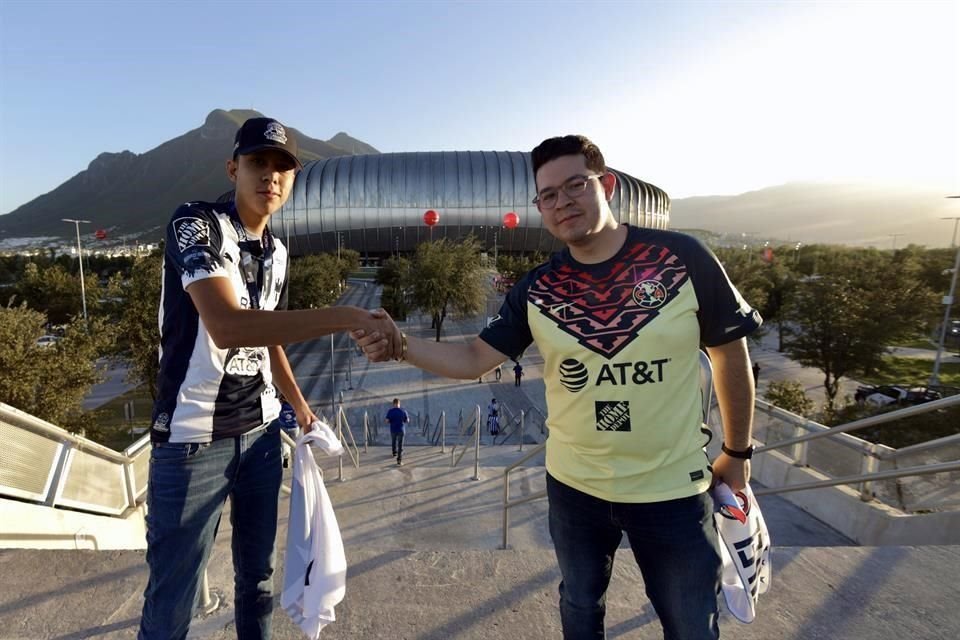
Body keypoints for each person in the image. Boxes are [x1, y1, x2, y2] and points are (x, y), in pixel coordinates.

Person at [353, 134, 760, 639]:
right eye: (548, 195)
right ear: (539, 208)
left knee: (691, 622)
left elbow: (729, 354)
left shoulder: (681, 257)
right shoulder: (536, 289)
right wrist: (400, 345)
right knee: (579, 608)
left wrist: (738, 451)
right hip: (575, 489)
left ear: (606, 185)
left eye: (575, 185)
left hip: (673, 490)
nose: (562, 202)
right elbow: (476, 356)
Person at [139, 116, 399, 640]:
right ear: (234, 168)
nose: (271, 177)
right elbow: (230, 326)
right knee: (173, 598)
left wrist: (299, 406)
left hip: (259, 438)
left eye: (283, 167)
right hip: (192, 441)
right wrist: (347, 316)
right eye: (258, 163)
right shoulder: (196, 223)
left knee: (256, 580)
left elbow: (268, 335)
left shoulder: (278, 252)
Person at [385, 397, 409, 465]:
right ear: (399, 403)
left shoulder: (390, 411)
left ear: (393, 404)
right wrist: (403, 420)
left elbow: (386, 420)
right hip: (401, 430)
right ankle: (399, 460)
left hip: (393, 429)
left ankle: (394, 453)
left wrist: (391, 421)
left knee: (393, 441)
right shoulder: (403, 411)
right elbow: (407, 420)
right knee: (400, 445)